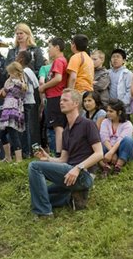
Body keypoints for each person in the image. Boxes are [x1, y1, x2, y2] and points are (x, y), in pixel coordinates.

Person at [28, 89, 103, 217]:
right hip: (69, 174)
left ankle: (44, 212)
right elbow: (63, 159)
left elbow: (99, 154)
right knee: (41, 195)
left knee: (34, 167)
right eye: (60, 100)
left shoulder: (88, 124)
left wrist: (78, 168)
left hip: (83, 175)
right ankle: (72, 199)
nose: (61, 102)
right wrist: (48, 158)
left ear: (75, 103)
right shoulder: (66, 131)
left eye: (65, 100)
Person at [38, 38, 68, 155]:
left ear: (57, 47)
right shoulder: (60, 61)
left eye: (50, 47)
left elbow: (58, 78)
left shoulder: (59, 61)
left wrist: (43, 87)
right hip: (54, 97)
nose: (48, 50)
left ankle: (59, 153)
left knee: (58, 126)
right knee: (56, 125)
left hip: (56, 96)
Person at [0, 62, 27, 162]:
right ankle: (8, 157)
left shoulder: (18, 83)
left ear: (15, 72)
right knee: (2, 134)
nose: (9, 75)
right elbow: (4, 93)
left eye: (10, 73)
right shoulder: (12, 82)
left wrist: (7, 84)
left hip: (13, 109)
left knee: (13, 134)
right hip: (7, 108)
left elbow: (8, 91)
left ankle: (19, 159)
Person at [99, 99, 133, 176]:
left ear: (119, 112)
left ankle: (118, 166)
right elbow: (104, 138)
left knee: (128, 140)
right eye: (107, 111)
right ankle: (106, 167)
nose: (108, 113)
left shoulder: (127, 124)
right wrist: (112, 153)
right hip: (109, 150)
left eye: (111, 111)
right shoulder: (105, 122)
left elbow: (120, 140)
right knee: (98, 144)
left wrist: (112, 153)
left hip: (123, 151)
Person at [16, 50, 40, 157]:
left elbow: (25, 87)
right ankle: (28, 151)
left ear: (21, 59)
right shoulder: (30, 70)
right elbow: (36, 84)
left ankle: (26, 152)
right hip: (30, 101)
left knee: (24, 128)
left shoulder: (24, 71)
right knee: (26, 127)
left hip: (25, 102)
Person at [108, 49, 133, 114]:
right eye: (113, 57)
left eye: (118, 57)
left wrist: (122, 104)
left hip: (123, 108)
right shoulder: (107, 73)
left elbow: (130, 90)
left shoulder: (128, 73)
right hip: (110, 107)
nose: (115, 59)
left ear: (123, 60)